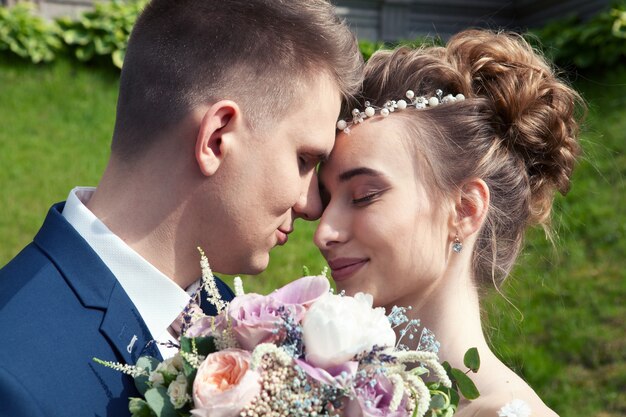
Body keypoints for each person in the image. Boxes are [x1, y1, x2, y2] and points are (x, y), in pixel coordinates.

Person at [0, 0, 362, 415]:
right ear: (215, 138)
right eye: (303, 161)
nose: (313, 204)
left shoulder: (238, 323)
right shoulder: (11, 375)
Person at [315, 29, 582, 416]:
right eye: (325, 202)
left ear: (465, 210)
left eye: (363, 196)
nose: (323, 232)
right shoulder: (308, 380)